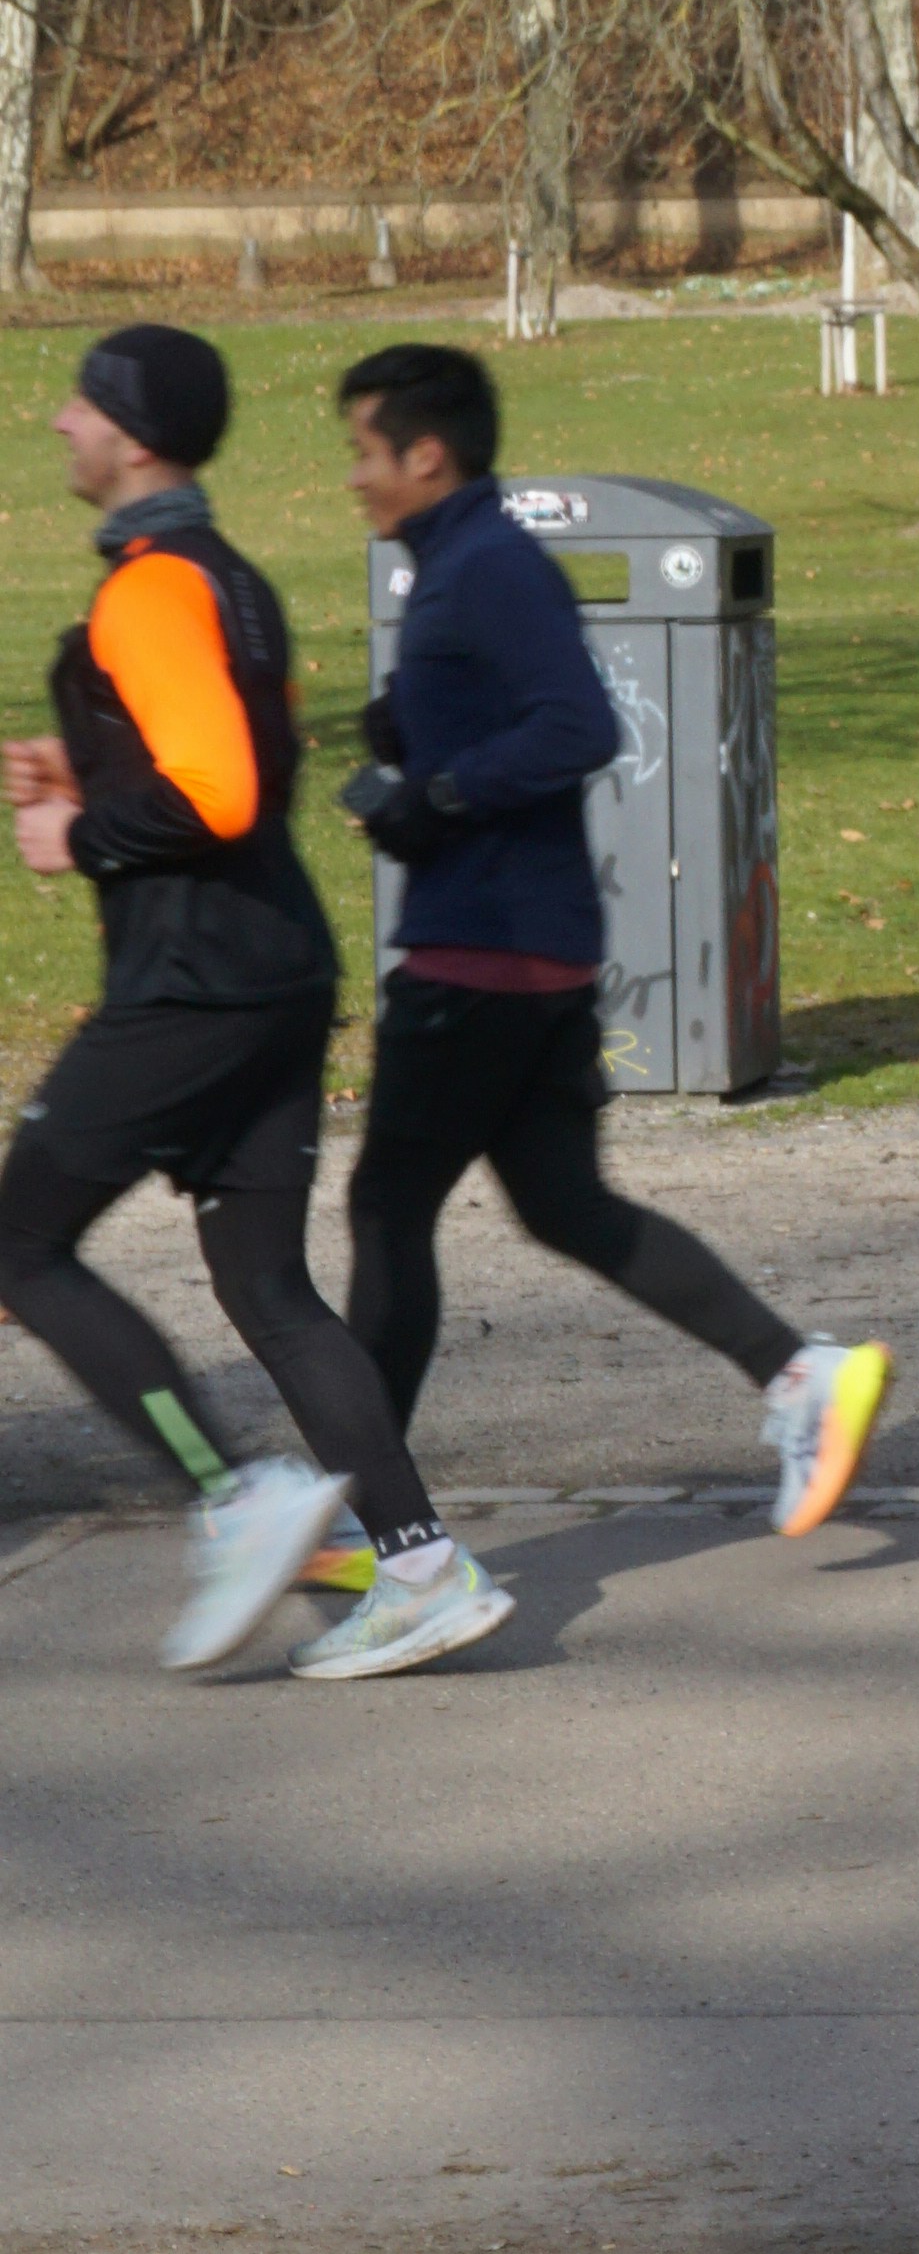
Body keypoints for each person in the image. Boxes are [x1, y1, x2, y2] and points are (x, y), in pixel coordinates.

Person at [0, 321, 508, 1678]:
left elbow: (215, 790)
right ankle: (423, 1568)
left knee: (21, 1245)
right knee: (264, 1278)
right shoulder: (233, 581)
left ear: (133, 432)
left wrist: (78, 836)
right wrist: (88, 771)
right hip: (277, 968)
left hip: (193, 989)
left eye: (80, 406)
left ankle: (236, 1499)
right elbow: (237, 763)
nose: (59, 424)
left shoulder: (151, 587)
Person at [328, 342, 889, 1539]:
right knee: (566, 1205)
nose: (355, 480)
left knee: (387, 1211)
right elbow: (512, 712)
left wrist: (437, 798)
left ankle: (374, 1525)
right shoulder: (463, 564)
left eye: (366, 455)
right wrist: (410, 739)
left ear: (428, 455)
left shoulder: (481, 565)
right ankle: (799, 1372)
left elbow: (575, 726)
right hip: (531, 952)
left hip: (480, 955)